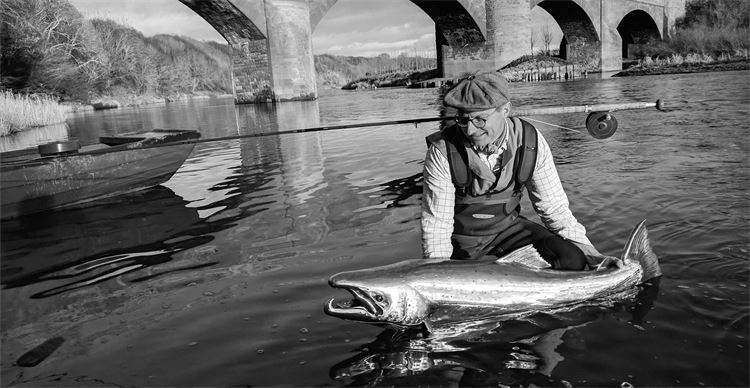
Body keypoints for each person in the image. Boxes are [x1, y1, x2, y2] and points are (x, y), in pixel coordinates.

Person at [421, 71, 615, 270]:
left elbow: (554, 209)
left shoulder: (530, 141)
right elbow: (437, 225)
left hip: (508, 232)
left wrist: (593, 254)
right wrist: (436, 273)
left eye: (480, 119)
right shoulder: (442, 152)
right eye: (462, 120)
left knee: (571, 259)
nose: (470, 130)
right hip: (460, 244)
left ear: (505, 110)